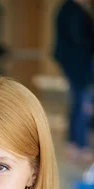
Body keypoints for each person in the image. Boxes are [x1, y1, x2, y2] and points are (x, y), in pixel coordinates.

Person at [54, 0, 94, 162]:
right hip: (77, 65)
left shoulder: (70, 8)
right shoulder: (73, 10)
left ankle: (73, 143)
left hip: (75, 63)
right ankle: (80, 145)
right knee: (82, 105)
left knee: (77, 103)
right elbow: (79, 38)